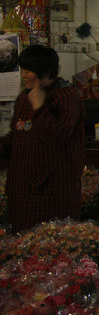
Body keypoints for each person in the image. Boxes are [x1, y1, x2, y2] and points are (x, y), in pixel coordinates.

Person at [0, 45, 85, 232]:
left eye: (28, 71)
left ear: (45, 71)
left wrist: (39, 106)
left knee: (52, 248)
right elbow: (17, 136)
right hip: (22, 192)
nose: (23, 75)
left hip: (52, 193)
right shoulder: (24, 97)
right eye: (23, 70)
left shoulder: (67, 97)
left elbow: (58, 137)